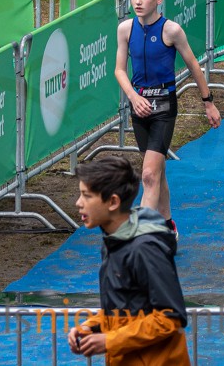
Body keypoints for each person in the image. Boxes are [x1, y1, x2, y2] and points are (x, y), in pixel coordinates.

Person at [114, 0, 221, 237]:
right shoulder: (125, 29)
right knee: (157, 170)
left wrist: (208, 102)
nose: (138, 1)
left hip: (164, 108)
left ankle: (142, 238)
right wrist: (133, 97)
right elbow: (119, 70)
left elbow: (193, 65)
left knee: (148, 175)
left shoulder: (172, 30)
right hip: (139, 108)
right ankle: (167, 223)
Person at [66, 155, 190, 365]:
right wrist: (92, 326)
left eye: (86, 196)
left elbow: (170, 317)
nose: (78, 203)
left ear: (113, 202)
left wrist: (110, 341)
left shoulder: (145, 249)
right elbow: (126, 309)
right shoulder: (113, 240)